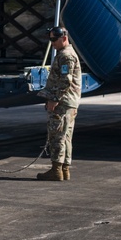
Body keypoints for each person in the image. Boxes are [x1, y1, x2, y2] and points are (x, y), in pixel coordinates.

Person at [38, 26, 82, 182]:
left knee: (57, 135)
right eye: (50, 39)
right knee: (65, 136)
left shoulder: (66, 56)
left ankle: (56, 170)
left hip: (62, 103)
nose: (52, 43)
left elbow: (65, 81)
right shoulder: (64, 54)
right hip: (68, 102)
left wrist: (54, 99)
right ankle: (63, 169)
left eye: (54, 39)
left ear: (64, 38)